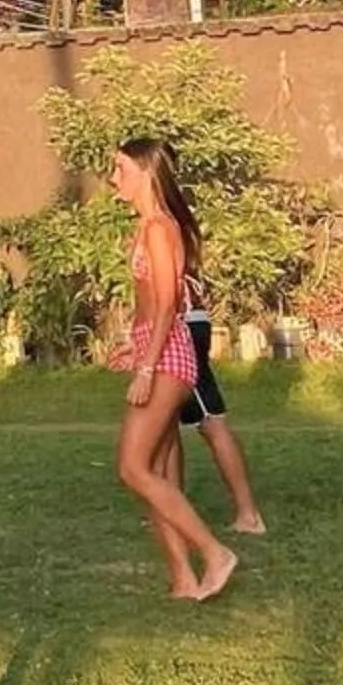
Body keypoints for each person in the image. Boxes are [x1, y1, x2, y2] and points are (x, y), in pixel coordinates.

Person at [110, 138, 238, 604]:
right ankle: (183, 577)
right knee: (157, 470)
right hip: (154, 350)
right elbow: (148, 305)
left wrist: (147, 365)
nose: (113, 178)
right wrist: (133, 344)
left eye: (120, 168)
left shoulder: (161, 228)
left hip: (169, 356)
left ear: (145, 171)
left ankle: (215, 553)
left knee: (132, 466)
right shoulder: (146, 228)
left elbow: (167, 302)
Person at [168, 230, 266, 540]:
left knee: (210, 421)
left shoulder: (164, 225)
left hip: (182, 325)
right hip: (179, 323)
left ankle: (248, 514)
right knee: (165, 420)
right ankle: (171, 508)